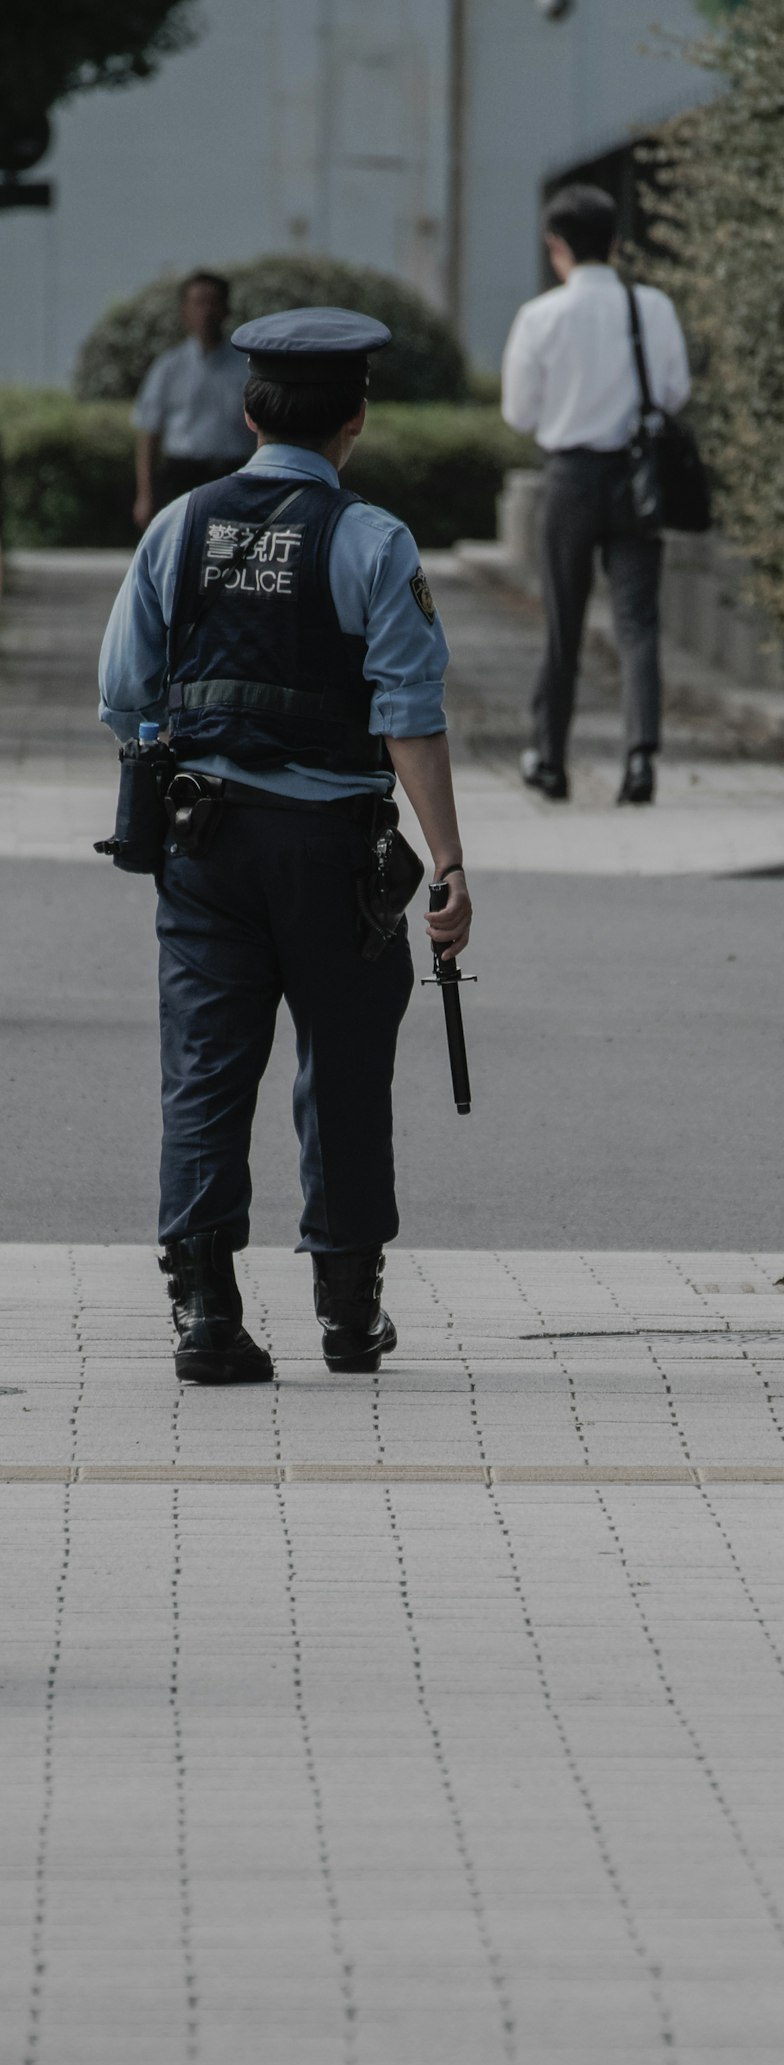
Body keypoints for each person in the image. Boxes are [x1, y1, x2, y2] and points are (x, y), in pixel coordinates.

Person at [98, 306, 474, 1385]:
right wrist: (446, 863)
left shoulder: (178, 525)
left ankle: (206, 1314)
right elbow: (409, 713)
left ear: (246, 408)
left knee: (207, 1074)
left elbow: (124, 692)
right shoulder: (372, 542)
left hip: (204, 847)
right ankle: (350, 1317)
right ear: (357, 417)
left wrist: (180, 756)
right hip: (336, 855)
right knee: (346, 1072)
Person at [501, 183, 691, 805]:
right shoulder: (652, 308)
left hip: (570, 479)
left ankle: (549, 758)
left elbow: (519, 414)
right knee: (639, 623)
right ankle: (640, 760)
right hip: (637, 478)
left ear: (555, 244)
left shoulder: (540, 316)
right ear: (614, 242)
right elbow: (673, 392)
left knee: (564, 623)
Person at [132, 271, 252, 528]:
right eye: (198, 303)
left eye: (213, 302)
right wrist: (145, 495)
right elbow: (149, 435)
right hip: (181, 475)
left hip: (233, 473)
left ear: (226, 309)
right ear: (184, 311)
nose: (206, 312)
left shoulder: (247, 367)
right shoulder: (168, 368)